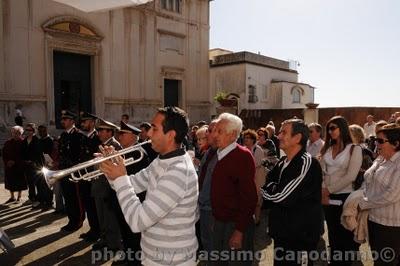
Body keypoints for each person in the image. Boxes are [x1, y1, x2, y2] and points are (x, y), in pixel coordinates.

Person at [99, 106, 198, 265]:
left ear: (171, 135)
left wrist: (119, 178)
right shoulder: (162, 160)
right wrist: (110, 167)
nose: (149, 133)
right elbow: (132, 184)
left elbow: (137, 221)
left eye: (154, 129)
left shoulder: (178, 172)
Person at [262, 119, 323, 265]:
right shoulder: (283, 161)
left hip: (300, 237)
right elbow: (269, 181)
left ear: (297, 138)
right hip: (282, 233)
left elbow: (281, 196)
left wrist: (266, 190)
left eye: (284, 132)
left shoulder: (307, 162)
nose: (278, 136)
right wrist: (270, 188)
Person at [210, 113, 257, 266]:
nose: (214, 135)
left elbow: (249, 198)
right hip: (220, 223)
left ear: (233, 135)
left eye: (219, 131)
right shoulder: (218, 153)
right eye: (214, 130)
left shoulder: (243, 156)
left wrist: (239, 231)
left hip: (235, 225)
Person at [319, 116, 362, 265]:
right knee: (333, 235)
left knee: (346, 238)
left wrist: (327, 190)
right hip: (327, 197)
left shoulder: (354, 149)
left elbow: (351, 176)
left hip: (346, 198)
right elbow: (321, 172)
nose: (330, 131)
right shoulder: (327, 149)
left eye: (333, 128)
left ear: (342, 128)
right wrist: (324, 189)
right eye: (328, 129)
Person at [358, 123, 400, 265]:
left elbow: (392, 194)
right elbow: (368, 180)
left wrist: (363, 202)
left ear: (396, 143)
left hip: (391, 226)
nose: (377, 143)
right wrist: (362, 196)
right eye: (376, 139)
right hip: (374, 220)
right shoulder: (380, 158)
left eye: (381, 141)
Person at [115, 121, 150, 265]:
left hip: (134, 201)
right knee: (125, 232)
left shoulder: (138, 152)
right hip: (121, 199)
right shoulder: (122, 152)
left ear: (132, 136)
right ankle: (129, 256)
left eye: (122, 134)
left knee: (133, 235)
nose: (119, 136)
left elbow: (134, 181)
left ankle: (134, 261)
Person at [91, 118, 123, 253]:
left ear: (109, 132)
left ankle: (113, 243)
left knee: (110, 217)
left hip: (108, 187)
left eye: (101, 130)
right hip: (99, 185)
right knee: (101, 215)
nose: (98, 133)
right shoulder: (102, 145)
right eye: (98, 130)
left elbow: (116, 166)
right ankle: (104, 238)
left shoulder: (115, 146)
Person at [58, 110, 85, 232]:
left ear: (72, 121)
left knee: (75, 197)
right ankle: (71, 220)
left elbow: (80, 155)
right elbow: (61, 152)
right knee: (67, 197)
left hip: (73, 172)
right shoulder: (63, 135)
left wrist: (71, 164)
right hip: (64, 171)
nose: (62, 121)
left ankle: (78, 221)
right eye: (62, 119)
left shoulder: (79, 135)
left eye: (65, 119)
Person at [78, 111, 101, 242]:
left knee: (93, 206)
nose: (82, 124)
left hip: (92, 178)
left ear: (92, 123)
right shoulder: (84, 138)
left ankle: (97, 231)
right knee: (87, 205)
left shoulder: (97, 139)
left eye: (85, 122)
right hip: (84, 177)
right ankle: (93, 229)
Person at [198, 120, 218, 262]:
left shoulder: (224, 155)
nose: (207, 134)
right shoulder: (208, 152)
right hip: (203, 206)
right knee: (207, 246)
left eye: (209, 131)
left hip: (213, 210)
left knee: (214, 248)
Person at [242, 129, 266, 225]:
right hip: (247, 178)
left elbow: (256, 163)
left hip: (257, 177)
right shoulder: (243, 149)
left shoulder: (258, 149)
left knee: (257, 200)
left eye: (248, 138)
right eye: (245, 138)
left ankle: (257, 219)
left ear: (253, 139)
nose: (246, 140)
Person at [21, 123, 44, 205]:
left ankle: (38, 199)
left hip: (35, 165)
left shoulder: (37, 140)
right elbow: (22, 152)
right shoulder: (24, 141)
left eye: (29, 130)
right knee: (30, 183)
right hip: (27, 165)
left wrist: (33, 161)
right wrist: (25, 160)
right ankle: (31, 197)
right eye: (26, 130)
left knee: (37, 183)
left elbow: (39, 153)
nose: (27, 132)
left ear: (34, 131)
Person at [2, 126, 27, 203]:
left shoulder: (23, 142)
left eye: (18, 133)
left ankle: (19, 196)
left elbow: (24, 155)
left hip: (19, 165)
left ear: (21, 134)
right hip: (9, 166)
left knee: (20, 181)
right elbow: (4, 154)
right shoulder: (8, 143)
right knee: (10, 182)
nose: (16, 134)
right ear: (12, 133)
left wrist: (15, 161)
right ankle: (12, 196)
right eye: (14, 133)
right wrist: (7, 162)